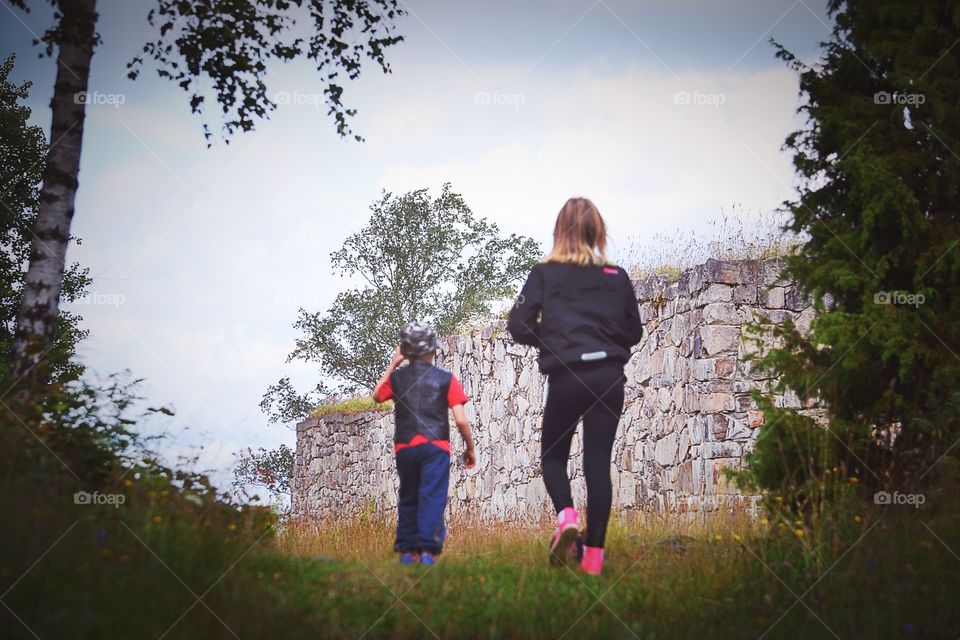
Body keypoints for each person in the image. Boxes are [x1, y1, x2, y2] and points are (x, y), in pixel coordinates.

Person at [507, 197, 644, 575]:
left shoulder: (545, 274)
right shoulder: (616, 277)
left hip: (567, 377)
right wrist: (605, 345)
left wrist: (553, 342)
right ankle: (594, 559)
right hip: (608, 378)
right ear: (598, 231)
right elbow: (633, 331)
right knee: (597, 464)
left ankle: (566, 516)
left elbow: (518, 325)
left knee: (553, 456)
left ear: (558, 231)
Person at [372, 321, 477, 565]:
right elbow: (461, 420)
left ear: (406, 351)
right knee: (432, 496)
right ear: (434, 349)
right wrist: (469, 448)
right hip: (436, 447)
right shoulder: (446, 379)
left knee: (409, 495)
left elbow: (377, 396)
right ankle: (428, 552)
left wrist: (394, 363)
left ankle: (408, 553)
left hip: (405, 446)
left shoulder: (398, 379)